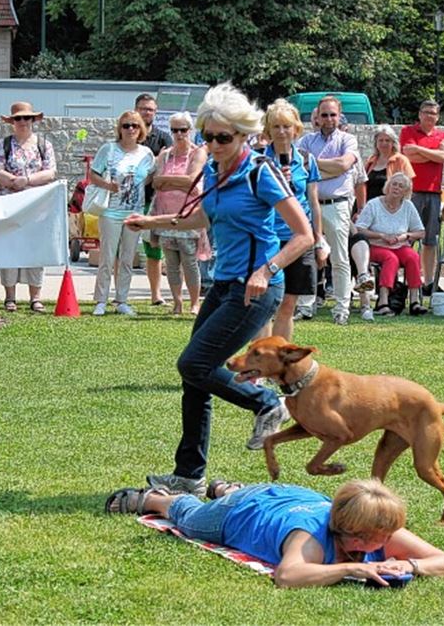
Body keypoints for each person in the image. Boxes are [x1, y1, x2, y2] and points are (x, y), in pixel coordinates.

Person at [124, 82, 312, 496]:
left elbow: (304, 235)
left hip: (256, 290)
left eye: (223, 137)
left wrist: (267, 269)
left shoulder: (261, 173)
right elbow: (200, 220)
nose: (214, 144)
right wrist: (150, 222)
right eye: (208, 136)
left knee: (193, 365)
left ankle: (266, 403)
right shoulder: (213, 170)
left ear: (244, 135)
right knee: (196, 377)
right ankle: (189, 474)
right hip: (224, 285)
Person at [105, 478, 444, 588]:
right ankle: (156, 499)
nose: (386, 543)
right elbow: (288, 576)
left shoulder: (382, 530)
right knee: (191, 518)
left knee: (244, 496)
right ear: (354, 534)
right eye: (378, 538)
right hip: (240, 512)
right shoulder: (309, 536)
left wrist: (411, 566)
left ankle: (226, 487)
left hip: (289, 497)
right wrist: (354, 569)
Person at [261, 99, 324, 339]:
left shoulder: (307, 160)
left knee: (288, 305)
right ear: (268, 130)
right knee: (266, 305)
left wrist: (318, 240)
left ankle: (280, 363)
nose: (282, 131)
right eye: (276, 126)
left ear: (296, 128)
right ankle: (261, 365)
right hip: (269, 238)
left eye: (286, 126)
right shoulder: (258, 160)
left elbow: (313, 202)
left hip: (299, 239)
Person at [298, 96, 361, 325]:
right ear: (318, 116)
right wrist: (330, 168)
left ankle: (341, 308)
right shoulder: (306, 141)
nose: (329, 119)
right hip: (309, 206)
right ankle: (305, 306)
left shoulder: (348, 140)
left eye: (333, 114)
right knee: (307, 256)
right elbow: (300, 169)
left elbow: (344, 165)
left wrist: (314, 164)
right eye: (324, 115)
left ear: (339, 115)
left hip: (338, 205)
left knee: (339, 259)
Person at [0, 102, 58, 313]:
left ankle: (35, 297)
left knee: (35, 250)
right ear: (12, 122)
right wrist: (12, 180)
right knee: (9, 249)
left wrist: (26, 180)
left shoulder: (44, 144)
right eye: (18, 119)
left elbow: (50, 172)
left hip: (36, 206)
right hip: (9, 205)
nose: (22, 122)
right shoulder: (4, 144)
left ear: (33, 120)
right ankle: (10, 297)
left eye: (26, 118)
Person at [89, 110, 155, 316]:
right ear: (120, 129)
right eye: (126, 125)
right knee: (107, 258)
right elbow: (93, 175)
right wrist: (108, 186)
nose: (130, 129)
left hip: (133, 212)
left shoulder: (146, 154)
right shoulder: (108, 149)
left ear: (141, 130)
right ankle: (101, 300)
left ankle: (122, 300)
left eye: (135, 126)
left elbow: (150, 177)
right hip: (111, 211)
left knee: (128, 258)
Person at [150, 111, 209, 315]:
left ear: (190, 130)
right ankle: (176, 302)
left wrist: (170, 181)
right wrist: (180, 183)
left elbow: (193, 181)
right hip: (166, 215)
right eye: (174, 130)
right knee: (172, 263)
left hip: (189, 215)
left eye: (182, 130)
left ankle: (194, 302)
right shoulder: (165, 154)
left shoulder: (197, 152)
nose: (178, 134)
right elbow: (157, 182)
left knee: (189, 261)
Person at [355, 172, 428, 316]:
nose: (396, 188)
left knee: (413, 256)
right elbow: (359, 229)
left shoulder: (408, 206)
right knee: (391, 259)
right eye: (394, 184)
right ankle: (383, 301)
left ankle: (414, 301)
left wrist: (405, 236)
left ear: (406, 191)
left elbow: (421, 232)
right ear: (388, 186)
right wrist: (381, 235)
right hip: (376, 246)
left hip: (400, 245)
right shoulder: (374, 204)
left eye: (401, 186)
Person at [399, 101, 444, 296]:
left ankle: (428, 282)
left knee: (430, 240)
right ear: (419, 114)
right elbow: (408, 156)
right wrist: (434, 154)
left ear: (438, 117)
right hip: (412, 192)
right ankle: (406, 281)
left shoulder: (442, 136)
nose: (430, 116)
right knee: (406, 238)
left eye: (434, 113)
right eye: (426, 112)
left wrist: (420, 151)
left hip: (434, 193)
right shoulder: (407, 131)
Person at [136, 93, 174, 307]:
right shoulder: (128, 133)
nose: (146, 112)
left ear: (155, 112)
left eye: (150, 109)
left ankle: (156, 295)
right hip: (128, 202)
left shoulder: (163, 138)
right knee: (121, 250)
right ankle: (116, 295)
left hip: (154, 201)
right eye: (142, 108)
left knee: (154, 249)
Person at [363, 125, 414, 201]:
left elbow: (408, 187)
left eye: (387, 140)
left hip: (389, 207)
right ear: (376, 143)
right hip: (369, 206)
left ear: (393, 143)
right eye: (381, 140)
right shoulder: (371, 161)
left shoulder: (401, 160)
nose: (384, 143)